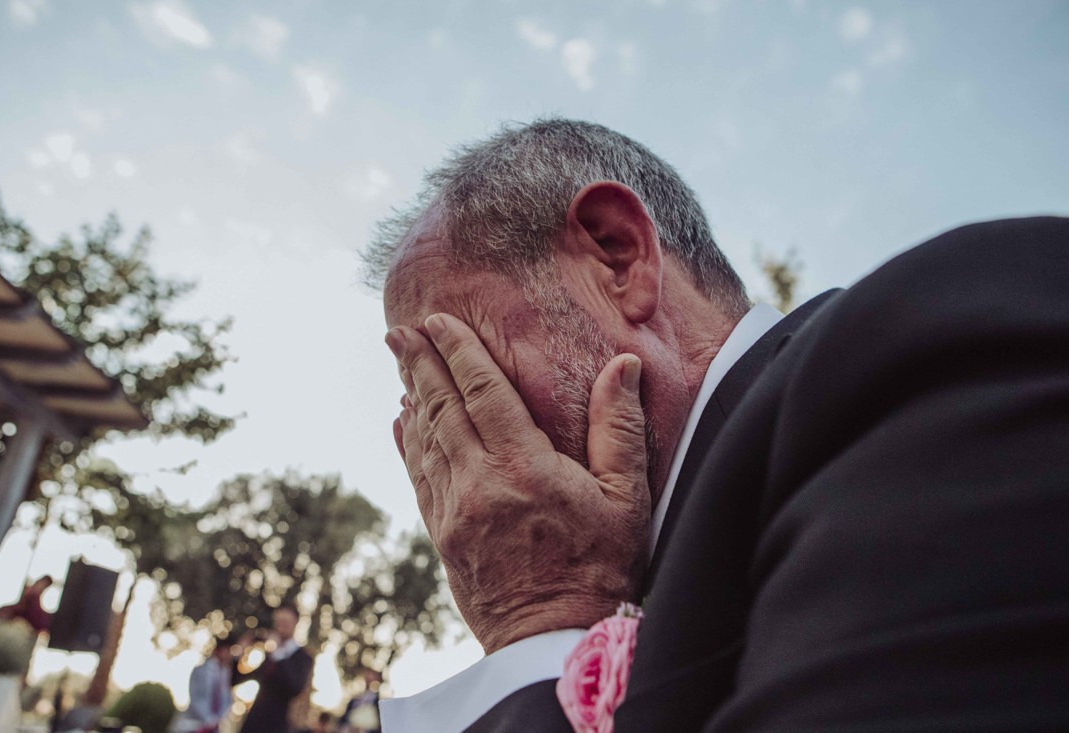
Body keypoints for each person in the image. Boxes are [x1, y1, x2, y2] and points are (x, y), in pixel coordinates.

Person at [371, 118, 1069, 731]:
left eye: (458, 371)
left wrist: (537, 619)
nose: (447, 450)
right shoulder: (634, 567)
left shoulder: (926, 359)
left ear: (617, 257)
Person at [236, 605, 314, 733]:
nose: (280, 626)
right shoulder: (269, 654)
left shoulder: (302, 657)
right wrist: (239, 655)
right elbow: (240, 678)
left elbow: (295, 687)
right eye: (278, 622)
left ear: (295, 623)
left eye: (285, 622)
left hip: (277, 725)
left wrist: (278, 653)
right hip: (253, 723)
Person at [179, 637, 234, 733]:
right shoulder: (200, 670)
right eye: (227, 651)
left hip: (214, 727)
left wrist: (218, 719)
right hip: (195, 725)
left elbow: (227, 699)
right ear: (218, 651)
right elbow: (195, 696)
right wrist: (208, 718)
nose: (229, 655)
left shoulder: (226, 673)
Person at [336, 668, 382, 733]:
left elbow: (379, 724)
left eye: (370, 677)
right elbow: (343, 721)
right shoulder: (353, 701)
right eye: (366, 677)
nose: (368, 680)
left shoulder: (378, 702)